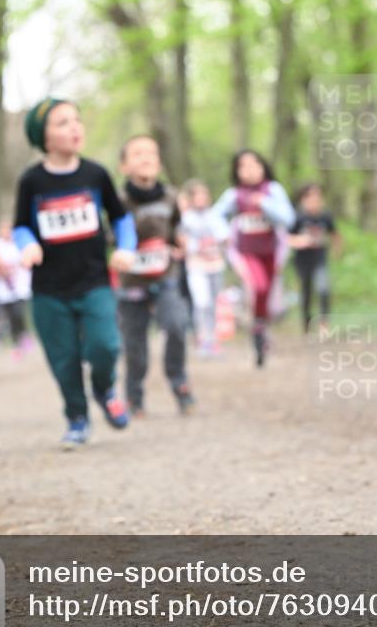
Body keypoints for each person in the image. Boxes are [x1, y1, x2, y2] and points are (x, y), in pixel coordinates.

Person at [13, 98, 137, 448]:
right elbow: (21, 225)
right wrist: (27, 245)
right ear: (44, 137)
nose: (75, 127)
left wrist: (126, 248)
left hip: (94, 281)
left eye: (76, 120)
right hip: (49, 289)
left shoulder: (96, 174)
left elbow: (121, 218)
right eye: (63, 122)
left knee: (105, 345)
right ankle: (77, 418)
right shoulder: (32, 181)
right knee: (63, 359)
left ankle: (104, 388)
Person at [117, 135, 195, 415]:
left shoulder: (171, 196)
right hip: (131, 282)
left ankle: (180, 385)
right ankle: (134, 396)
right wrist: (119, 252)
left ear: (159, 163)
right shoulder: (118, 200)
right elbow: (108, 235)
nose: (146, 158)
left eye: (151, 153)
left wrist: (178, 242)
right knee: (134, 343)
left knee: (176, 326)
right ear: (124, 166)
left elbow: (176, 229)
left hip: (165, 276)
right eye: (137, 153)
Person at [213, 149, 295, 367]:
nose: (249, 170)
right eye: (243, 166)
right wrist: (223, 234)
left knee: (267, 295)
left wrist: (264, 203)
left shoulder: (273, 190)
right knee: (258, 286)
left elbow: (288, 219)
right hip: (246, 252)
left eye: (254, 164)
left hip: (271, 252)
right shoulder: (234, 194)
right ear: (237, 171)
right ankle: (257, 329)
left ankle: (260, 329)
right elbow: (215, 215)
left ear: (262, 167)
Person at [180, 179, 229, 355]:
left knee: (214, 303)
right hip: (196, 266)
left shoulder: (215, 216)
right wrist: (197, 247)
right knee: (201, 303)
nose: (201, 199)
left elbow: (225, 238)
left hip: (215, 265)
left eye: (203, 195)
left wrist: (217, 245)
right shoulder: (186, 218)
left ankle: (213, 339)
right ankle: (202, 338)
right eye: (197, 195)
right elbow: (182, 241)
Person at [288, 183, 342, 334]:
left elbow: (335, 234)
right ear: (304, 199)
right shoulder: (297, 217)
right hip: (302, 260)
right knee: (306, 291)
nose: (315, 200)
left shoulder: (325, 216)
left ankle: (324, 323)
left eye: (318, 196)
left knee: (324, 288)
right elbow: (286, 237)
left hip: (320, 258)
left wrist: (337, 249)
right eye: (311, 196)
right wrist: (300, 241)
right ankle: (306, 323)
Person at [0, 218, 33, 358]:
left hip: (20, 287)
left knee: (18, 313)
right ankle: (16, 342)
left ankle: (24, 337)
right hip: (3, 289)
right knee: (8, 317)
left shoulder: (19, 242)